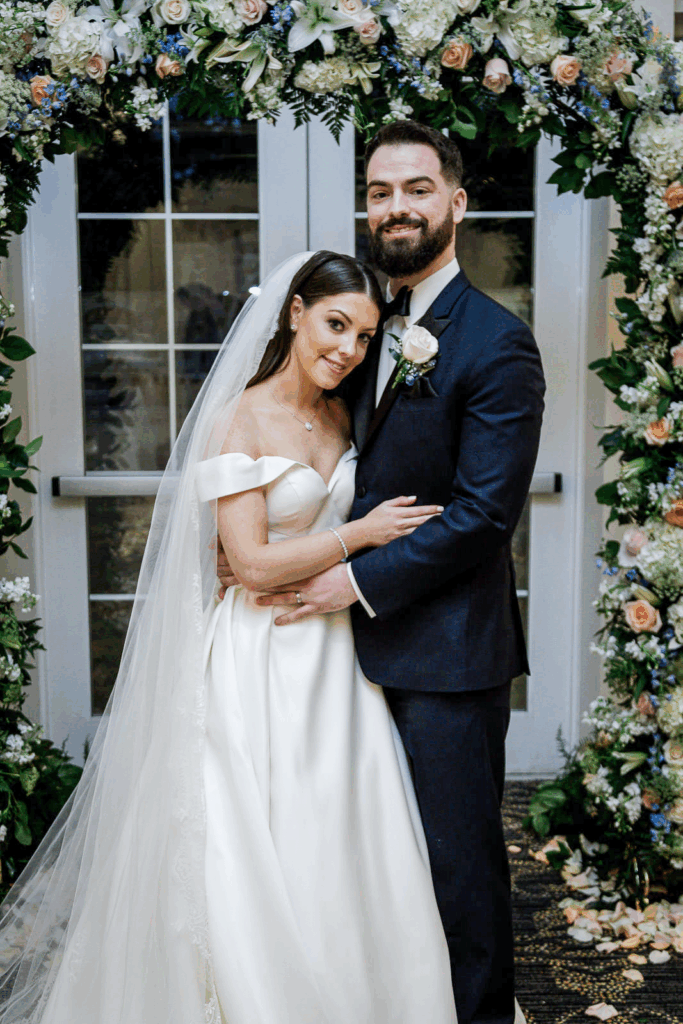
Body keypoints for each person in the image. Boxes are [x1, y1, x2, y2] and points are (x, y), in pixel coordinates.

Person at [0, 250, 458, 1024]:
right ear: (294, 314)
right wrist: (363, 535)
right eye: (334, 324)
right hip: (260, 653)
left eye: (363, 335)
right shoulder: (237, 417)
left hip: (336, 655)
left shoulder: (345, 413)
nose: (346, 349)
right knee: (251, 839)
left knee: (343, 835)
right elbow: (246, 563)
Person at [222, 122, 546, 1024]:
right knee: (362, 872)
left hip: (444, 655)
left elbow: (483, 515)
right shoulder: (357, 329)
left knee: (458, 872)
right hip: (331, 666)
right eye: (378, 191)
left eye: (414, 187)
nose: (394, 207)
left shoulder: (494, 343)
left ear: (455, 201)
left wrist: (350, 581)